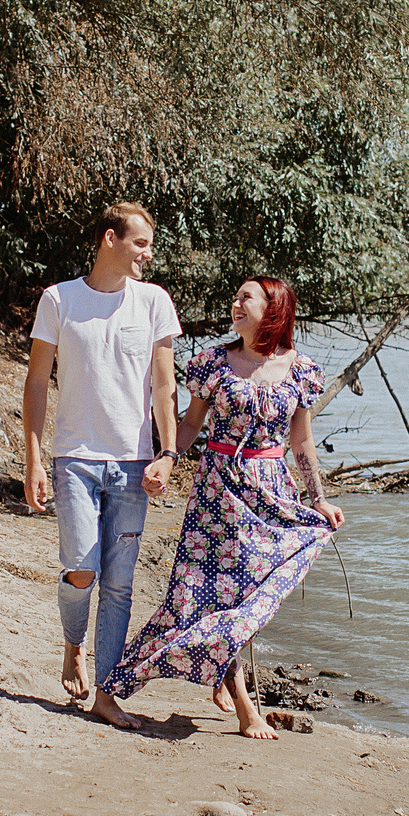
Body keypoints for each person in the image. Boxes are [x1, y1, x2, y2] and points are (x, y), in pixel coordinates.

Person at [99, 275, 343, 738]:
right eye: (235, 296)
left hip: (272, 495)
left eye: (245, 297)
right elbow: (191, 424)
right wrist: (167, 459)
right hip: (218, 494)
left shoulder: (301, 369)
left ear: (274, 308)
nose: (235, 303)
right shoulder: (214, 362)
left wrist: (319, 499)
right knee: (202, 596)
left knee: (250, 599)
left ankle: (222, 671)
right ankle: (243, 705)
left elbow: (302, 440)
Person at [23, 202, 182, 730]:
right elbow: (37, 383)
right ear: (110, 238)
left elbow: (164, 384)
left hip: (134, 464)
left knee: (119, 584)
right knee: (82, 569)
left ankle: (107, 693)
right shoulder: (59, 299)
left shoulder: (155, 302)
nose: (148, 254)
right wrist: (33, 459)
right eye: (141, 243)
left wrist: (167, 451)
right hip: (75, 458)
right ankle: (74, 645)